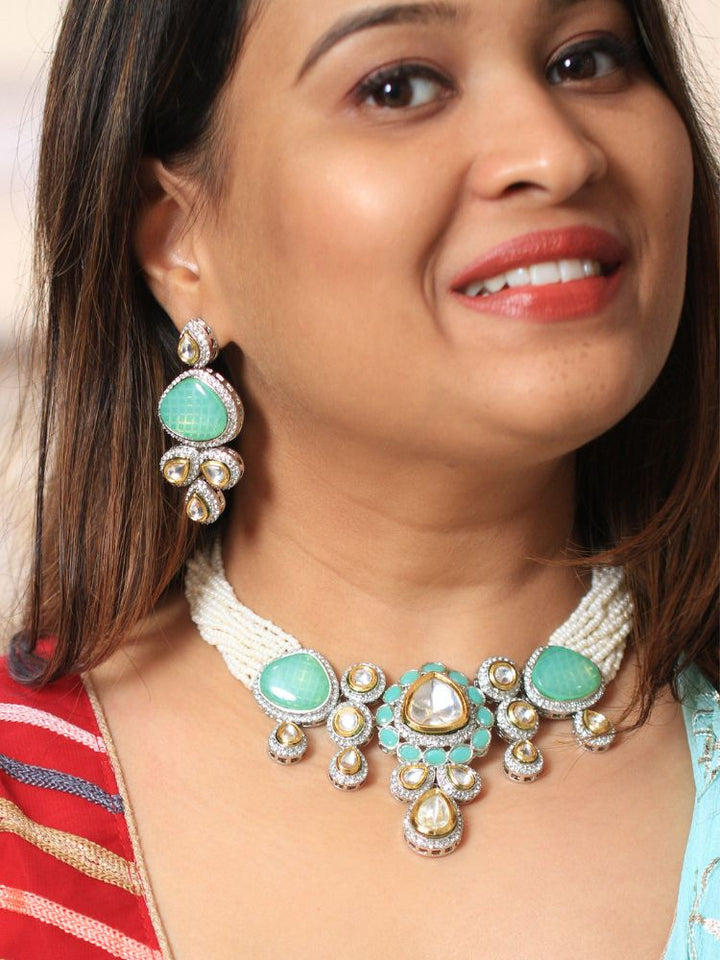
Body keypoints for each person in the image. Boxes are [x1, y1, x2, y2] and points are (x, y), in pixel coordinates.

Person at [1, 0, 718, 956]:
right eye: (398, 86)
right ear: (179, 242)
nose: (557, 153)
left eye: (587, 60)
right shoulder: (26, 817)